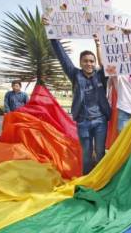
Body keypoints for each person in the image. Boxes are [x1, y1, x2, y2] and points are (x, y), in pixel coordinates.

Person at [44, 18, 111, 175]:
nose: (89, 64)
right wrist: (51, 32)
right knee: (87, 155)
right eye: (85, 61)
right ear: (80, 63)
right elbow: (62, 56)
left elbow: (110, 62)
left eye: (91, 61)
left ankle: (99, 179)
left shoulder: (101, 76)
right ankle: (87, 180)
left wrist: (98, 44)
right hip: (83, 122)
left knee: (100, 152)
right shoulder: (75, 74)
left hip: (101, 121)